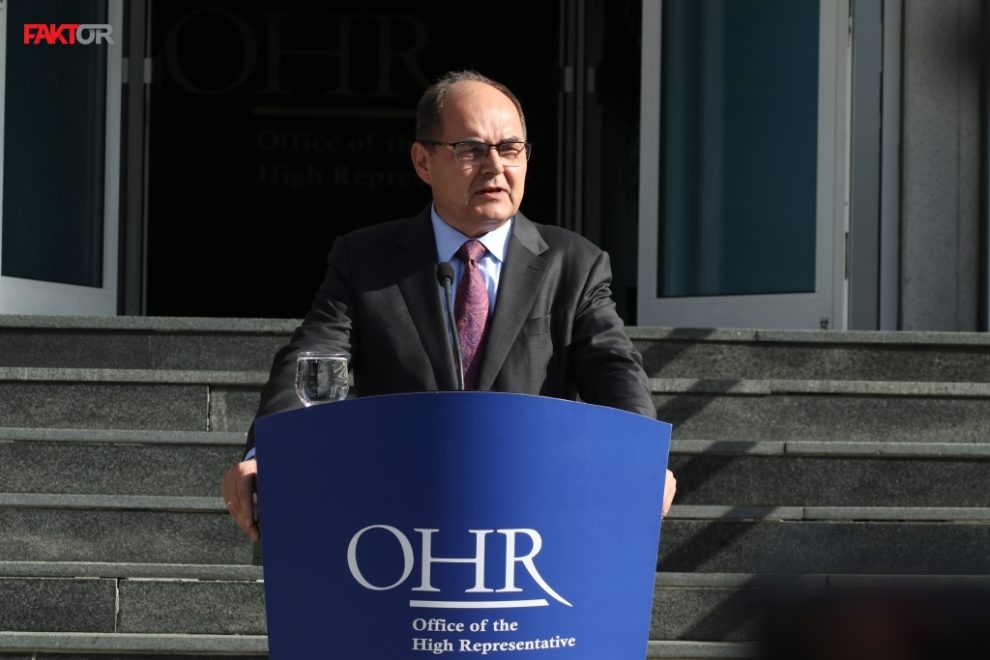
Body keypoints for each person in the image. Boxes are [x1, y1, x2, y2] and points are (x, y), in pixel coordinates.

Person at [221, 70, 676, 542]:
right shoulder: (366, 260)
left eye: (510, 148)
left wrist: (642, 456)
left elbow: (613, 368)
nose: (495, 167)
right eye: (471, 150)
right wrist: (271, 454)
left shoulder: (574, 264)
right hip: (399, 521)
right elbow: (314, 360)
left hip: (529, 521)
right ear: (423, 161)